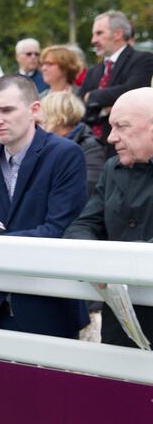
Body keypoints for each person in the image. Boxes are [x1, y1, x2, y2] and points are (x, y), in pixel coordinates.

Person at [0, 75, 88, 338]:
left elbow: (60, 230)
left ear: (35, 110)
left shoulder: (65, 154)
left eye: (7, 110)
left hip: (49, 301)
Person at [64, 87, 153, 348]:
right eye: (111, 127)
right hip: (122, 323)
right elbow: (83, 225)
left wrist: (115, 263)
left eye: (122, 126)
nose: (112, 137)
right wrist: (96, 258)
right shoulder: (112, 169)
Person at [79, 10, 153, 147]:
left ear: (118, 34)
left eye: (99, 33)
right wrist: (104, 107)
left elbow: (131, 92)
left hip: (126, 146)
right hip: (91, 147)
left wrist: (92, 97)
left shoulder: (143, 60)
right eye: (93, 34)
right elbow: (79, 105)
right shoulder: (93, 71)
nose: (93, 40)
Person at [40, 92, 105, 195]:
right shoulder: (45, 145)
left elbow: (88, 188)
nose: (39, 126)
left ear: (59, 120)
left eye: (43, 120)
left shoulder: (90, 147)